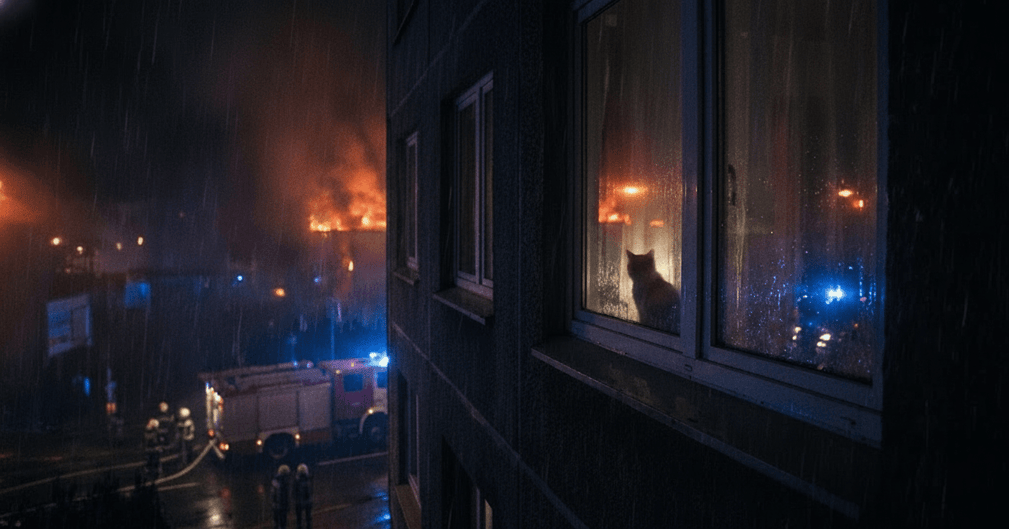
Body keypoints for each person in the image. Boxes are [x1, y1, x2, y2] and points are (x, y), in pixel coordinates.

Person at [271, 464, 292, 529]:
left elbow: (272, 495)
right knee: (283, 523)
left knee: (276, 523)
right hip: (282, 506)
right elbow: (283, 496)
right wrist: (287, 505)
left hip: (275, 505)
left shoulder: (274, 480)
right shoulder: (284, 483)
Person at [294, 463, 313, 529]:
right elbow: (310, 491)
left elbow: (294, 491)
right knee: (308, 517)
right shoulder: (308, 480)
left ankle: (299, 526)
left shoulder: (296, 481)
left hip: (299, 501)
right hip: (307, 501)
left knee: (299, 518)